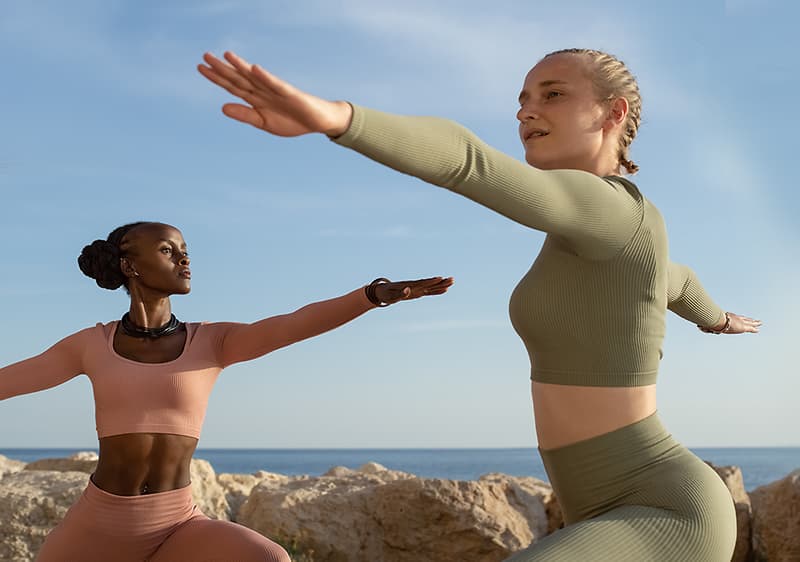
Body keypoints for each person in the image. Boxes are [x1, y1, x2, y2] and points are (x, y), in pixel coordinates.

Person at [197, 48, 762, 561]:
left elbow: (468, 162)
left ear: (613, 114)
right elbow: (674, 280)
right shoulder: (604, 236)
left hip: (663, 508)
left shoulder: (616, 211)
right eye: (522, 99)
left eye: (553, 94)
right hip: (593, 505)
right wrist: (719, 320)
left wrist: (337, 120)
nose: (526, 111)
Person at [0, 220, 453, 561]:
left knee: (270, 558)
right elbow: (8, 382)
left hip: (176, 521)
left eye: (184, 250)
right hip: (99, 524)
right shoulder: (90, 345)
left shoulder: (212, 342)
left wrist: (371, 296)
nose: (184, 259)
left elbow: (294, 324)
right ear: (129, 265)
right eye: (167, 250)